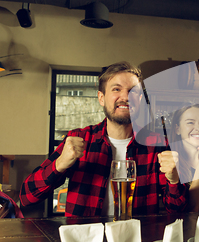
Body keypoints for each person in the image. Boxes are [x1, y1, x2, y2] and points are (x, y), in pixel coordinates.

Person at [20, 61, 187, 217]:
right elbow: (27, 197)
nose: (126, 97)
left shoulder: (157, 145)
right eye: (116, 89)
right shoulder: (79, 138)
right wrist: (59, 164)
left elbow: (177, 211)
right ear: (101, 98)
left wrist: (174, 180)